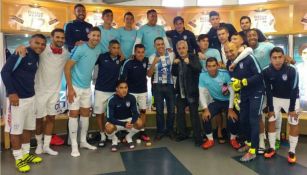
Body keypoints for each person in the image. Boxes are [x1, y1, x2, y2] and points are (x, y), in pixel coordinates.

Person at [14, 29, 69, 156]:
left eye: (62, 38)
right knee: (38, 119)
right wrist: (21, 46)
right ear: (52, 37)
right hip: (39, 91)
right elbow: (30, 48)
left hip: (55, 92)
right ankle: (38, 144)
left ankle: (46, 146)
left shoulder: (66, 53)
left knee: (51, 118)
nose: (60, 39)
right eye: (57, 37)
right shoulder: (42, 50)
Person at [1, 34, 47, 173]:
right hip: (17, 100)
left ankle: (26, 155)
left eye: (42, 44)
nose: (40, 46)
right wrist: (11, 92)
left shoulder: (36, 56)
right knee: (16, 130)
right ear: (30, 42)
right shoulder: (21, 53)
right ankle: (18, 158)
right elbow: (4, 72)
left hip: (30, 98)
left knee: (27, 128)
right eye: (37, 43)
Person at [64, 27, 102, 157]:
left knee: (85, 114)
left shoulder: (98, 49)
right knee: (74, 114)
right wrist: (70, 88)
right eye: (94, 35)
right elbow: (67, 68)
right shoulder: (80, 48)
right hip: (74, 87)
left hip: (87, 87)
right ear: (89, 35)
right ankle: (74, 145)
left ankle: (83, 141)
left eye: (98, 36)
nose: (96, 38)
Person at [225, 42, 264, 162]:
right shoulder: (229, 64)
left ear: (237, 49)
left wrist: (243, 82)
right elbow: (234, 80)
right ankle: (248, 143)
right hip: (244, 94)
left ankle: (253, 150)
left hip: (257, 92)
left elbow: (260, 75)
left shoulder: (249, 58)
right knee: (244, 119)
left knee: (253, 120)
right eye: (226, 52)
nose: (229, 54)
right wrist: (234, 85)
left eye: (231, 50)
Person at [263, 47, 300, 164]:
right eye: (274, 58)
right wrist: (271, 108)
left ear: (284, 58)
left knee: (293, 122)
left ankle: (292, 151)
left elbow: (294, 89)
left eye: (280, 57)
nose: (277, 60)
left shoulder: (292, 69)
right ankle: (272, 147)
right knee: (271, 120)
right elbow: (268, 91)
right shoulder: (266, 71)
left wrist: (292, 109)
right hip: (275, 98)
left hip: (291, 98)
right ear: (270, 59)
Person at [199, 57, 240, 150]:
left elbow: (232, 92)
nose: (212, 68)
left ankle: (233, 139)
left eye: (214, 66)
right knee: (205, 117)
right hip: (216, 101)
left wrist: (230, 109)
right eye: (209, 66)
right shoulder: (202, 76)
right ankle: (210, 139)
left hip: (228, 101)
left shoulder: (225, 74)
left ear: (217, 66)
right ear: (206, 67)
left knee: (233, 118)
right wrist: (205, 109)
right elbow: (201, 93)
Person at [172, 40, 202, 146]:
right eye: (179, 48)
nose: (181, 50)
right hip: (181, 92)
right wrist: (174, 64)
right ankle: (182, 134)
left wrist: (189, 63)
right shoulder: (177, 59)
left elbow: (199, 69)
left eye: (183, 48)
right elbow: (173, 73)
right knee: (180, 113)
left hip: (192, 92)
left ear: (187, 48)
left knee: (194, 115)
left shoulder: (193, 57)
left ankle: (198, 138)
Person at [94, 39, 124, 147]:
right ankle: (102, 135)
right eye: (114, 48)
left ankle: (111, 135)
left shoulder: (120, 59)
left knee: (112, 114)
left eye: (118, 48)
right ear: (109, 48)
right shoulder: (102, 57)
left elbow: (124, 59)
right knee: (99, 114)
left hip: (113, 91)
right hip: (100, 90)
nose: (116, 50)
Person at [120, 44, 151, 142]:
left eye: (142, 52)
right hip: (131, 92)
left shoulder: (146, 60)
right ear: (135, 52)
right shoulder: (128, 62)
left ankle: (142, 131)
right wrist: (123, 92)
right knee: (129, 112)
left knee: (143, 111)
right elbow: (122, 78)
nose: (140, 54)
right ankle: (126, 133)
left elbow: (149, 73)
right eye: (138, 52)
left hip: (143, 91)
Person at [147, 37, 175, 140]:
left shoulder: (171, 55)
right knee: (159, 111)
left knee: (171, 110)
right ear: (154, 46)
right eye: (158, 44)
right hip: (157, 86)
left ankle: (170, 130)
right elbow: (149, 75)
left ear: (165, 45)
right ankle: (160, 131)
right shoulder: (151, 57)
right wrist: (154, 62)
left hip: (170, 85)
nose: (160, 46)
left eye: (162, 44)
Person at [105, 80, 144, 152]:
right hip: (116, 122)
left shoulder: (131, 97)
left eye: (126, 87)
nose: (124, 90)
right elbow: (110, 118)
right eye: (121, 88)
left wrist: (131, 122)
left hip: (128, 121)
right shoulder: (112, 100)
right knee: (109, 128)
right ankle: (114, 139)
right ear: (117, 89)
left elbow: (136, 113)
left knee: (140, 123)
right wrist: (123, 124)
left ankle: (128, 137)